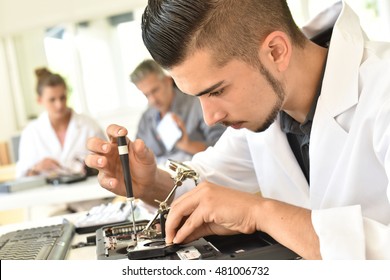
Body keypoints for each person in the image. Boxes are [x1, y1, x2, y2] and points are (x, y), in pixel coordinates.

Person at [85, 0, 390, 259]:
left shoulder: (382, 89)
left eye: (216, 91)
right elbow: (206, 187)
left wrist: (260, 213)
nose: (208, 118)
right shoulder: (265, 110)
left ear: (275, 52)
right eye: (197, 96)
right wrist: (149, 183)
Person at [130, 59, 226, 165]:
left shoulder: (197, 105)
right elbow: (137, 157)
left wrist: (188, 145)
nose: (153, 100)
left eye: (155, 90)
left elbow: (224, 149)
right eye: (146, 95)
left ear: (168, 81)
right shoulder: (146, 118)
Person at [16, 68, 106, 178]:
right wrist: (37, 168)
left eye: (62, 98)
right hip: (48, 194)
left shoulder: (90, 126)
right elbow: (21, 177)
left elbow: (108, 164)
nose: (59, 105)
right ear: (40, 100)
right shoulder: (31, 133)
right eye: (52, 100)